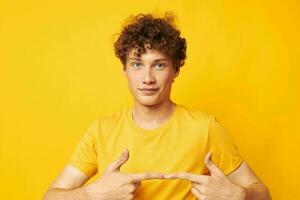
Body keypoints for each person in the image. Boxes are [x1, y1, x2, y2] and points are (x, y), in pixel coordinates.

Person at [43, 12, 272, 200]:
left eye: (159, 65)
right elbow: (50, 197)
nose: (147, 78)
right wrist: (92, 194)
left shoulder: (205, 129)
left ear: (175, 71)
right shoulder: (101, 131)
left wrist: (240, 196)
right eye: (137, 64)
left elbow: (263, 194)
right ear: (125, 70)